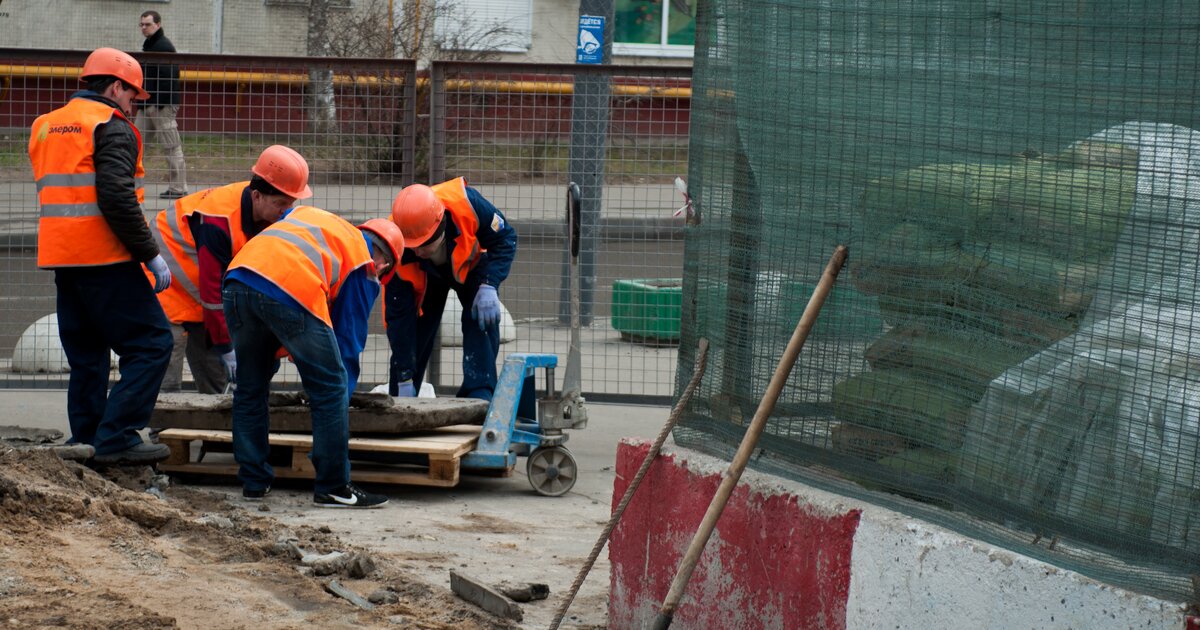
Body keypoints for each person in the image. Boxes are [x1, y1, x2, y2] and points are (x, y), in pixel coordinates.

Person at [28, 47, 174, 465]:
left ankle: (87, 438)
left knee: (87, 355)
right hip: (107, 259)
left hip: (63, 259)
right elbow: (116, 198)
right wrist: (150, 254)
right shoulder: (111, 125)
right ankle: (118, 436)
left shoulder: (44, 125)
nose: (132, 104)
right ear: (115, 87)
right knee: (151, 343)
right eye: (132, 95)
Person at [223, 208, 405, 508]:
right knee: (331, 387)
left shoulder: (315, 220)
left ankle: (254, 481)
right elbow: (347, 345)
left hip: (238, 279)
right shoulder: (365, 264)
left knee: (250, 386)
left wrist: (302, 342)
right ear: (383, 263)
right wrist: (337, 391)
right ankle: (333, 485)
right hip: (288, 289)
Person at [152, 145, 313, 394]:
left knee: (215, 375)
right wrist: (227, 348)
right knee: (166, 365)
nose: (286, 211)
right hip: (164, 283)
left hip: (198, 288)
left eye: (290, 203)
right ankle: (161, 430)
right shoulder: (218, 220)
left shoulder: (269, 217)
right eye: (280, 203)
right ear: (257, 195)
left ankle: (212, 427)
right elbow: (214, 293)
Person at [385, 178, 517, 401]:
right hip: (424, 276)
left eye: (423, 245)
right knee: (416, 329)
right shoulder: (396, 245)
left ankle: (479, 394)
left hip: (470, 265)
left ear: (440, 226)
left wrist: (489, 284)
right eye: (412, 246)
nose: (417, 252)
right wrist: (404, 378)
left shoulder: (469, 204)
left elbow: (505, 238)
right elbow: (399, 320)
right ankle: (402, 397)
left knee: (481, 320)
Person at [138, 9, 188, 199]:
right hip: (148, 105)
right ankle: (130, 185)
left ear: (157, 25)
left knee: (171, 146)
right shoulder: (150, 45)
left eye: (148, 24)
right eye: (141, 24)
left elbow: (169, 80)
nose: (144, 28)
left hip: (161, 107)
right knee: (136, 145)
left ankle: (178, 188)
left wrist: (155, 105)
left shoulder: (163, 46)